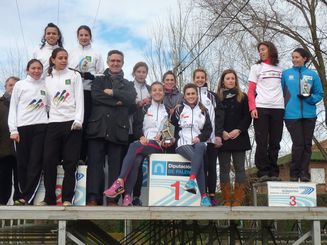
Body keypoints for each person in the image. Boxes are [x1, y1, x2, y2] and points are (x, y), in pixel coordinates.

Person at [104, 82, 172, 205]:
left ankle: (119, 182)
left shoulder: (167, 111)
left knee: (134, 146)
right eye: (154, 90)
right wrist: (141, 136)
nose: (157, 92)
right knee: (135, 161)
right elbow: (137, 126)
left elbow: (170, 133)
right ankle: (127, 197)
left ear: (163, 93)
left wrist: (164, 138)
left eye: (160, 90)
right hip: (144, 143)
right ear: (150, 93)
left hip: (158, 145)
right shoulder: (144, 108)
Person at [86, 50, 136, 206]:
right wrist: (117, 102)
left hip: (118, 129)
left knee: (116, 167)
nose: (115, 63)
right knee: (95, 165)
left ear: (122, 63)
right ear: (107, 62)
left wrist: (113, 92)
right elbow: (96, 96)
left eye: (118, 61)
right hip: (98, 128)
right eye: (112, 60)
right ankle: (93, 198)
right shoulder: (99, 81)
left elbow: (130, 98)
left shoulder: (128, 84)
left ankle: (113, 199)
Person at [41, 48, 84, 206]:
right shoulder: (47, 79)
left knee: (70, 163)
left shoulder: (74, 75)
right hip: (53, 123)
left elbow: (80, 99)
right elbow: (45, 103)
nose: (64, 60)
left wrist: (78, 120)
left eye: (66, 57)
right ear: (53, 60)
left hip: (72, 124)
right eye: (60, 58)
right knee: (49, 161)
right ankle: (49, 198)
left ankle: (67, 198)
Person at [8, 59, 48, 205]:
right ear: (27, 70)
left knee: (35, 163)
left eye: (39, 68)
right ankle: (21, 193)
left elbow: (49, 106)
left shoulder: (45, 85)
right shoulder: (20, 85)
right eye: (33, 68)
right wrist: (13, 130)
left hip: (42, 127)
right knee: (22, 163)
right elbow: (13, 108)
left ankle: (27, 197)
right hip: (23, 128)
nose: (36, 71)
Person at [282, 48, 323, 182]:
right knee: (298, 144)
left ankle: (304, 173)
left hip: (309, 115)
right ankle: (294, 173)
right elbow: (280, 93)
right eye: (293, 57)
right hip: (291, 115)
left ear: (304, 58)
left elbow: (319, 94)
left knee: (307, 145)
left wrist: (309, 98)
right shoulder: (286, 74)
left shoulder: (312, 75)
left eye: (297, 57)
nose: (294, 59)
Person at [247, 41, 284, 182]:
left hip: (278, 108)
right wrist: (252, 107)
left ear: (270, 50)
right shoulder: (256, 67)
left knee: (276, 141)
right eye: (259, 50)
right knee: (262, 141)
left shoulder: (280, 68)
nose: (261, 52)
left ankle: (274, 172)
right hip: (261, 107)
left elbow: (285, 88)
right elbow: (251, 91)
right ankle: (263, 172)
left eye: (263, 49)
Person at [171, 83, 213, 207]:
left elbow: (208, 130)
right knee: (198, 161)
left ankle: (191, 180)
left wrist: (200, 138)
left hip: (198, 143)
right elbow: (170, 126)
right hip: (183, 143)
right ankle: (204, 197)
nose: (191, 96)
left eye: (193, 93)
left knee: (200, 147)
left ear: (197, 95)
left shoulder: (203, 110)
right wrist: (170, 139)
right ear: (184, 95)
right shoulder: (179, 110)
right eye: (188, 94)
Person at [69, 25, 104, 163]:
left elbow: (101, 74)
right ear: (77, 36)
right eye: (81, 35)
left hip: (88, 93)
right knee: (73, 124)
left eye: (86, 35)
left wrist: (92, 76)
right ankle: (72, 155)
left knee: (86, 124)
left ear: (90, 36)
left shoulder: (96, 54)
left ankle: (84, 156)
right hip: (72, 94)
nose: (84, 38)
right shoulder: (71, 53)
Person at [217, 69, 252, 206]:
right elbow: (214, 117)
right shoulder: (217, 97)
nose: (230, 80)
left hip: (239, 138)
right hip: (223, 138)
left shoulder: (242, 97)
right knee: (224, 169)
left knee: (240, 168)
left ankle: (238, 199)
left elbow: (247, 116)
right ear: (223, 81)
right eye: (228, 78)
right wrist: (221, 132)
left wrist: (239, 130)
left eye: (233, 78)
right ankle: (226, 199)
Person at [192, 68, 224, 206]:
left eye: (202, 77)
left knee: (211, 166)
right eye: (197, 77)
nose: (200, 79)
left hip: (211, 138)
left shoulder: (212, 96)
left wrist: (218, 135)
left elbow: (219, 117)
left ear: (206, 79)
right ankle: (201, 194)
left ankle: (212, 195)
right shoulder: (190, 95)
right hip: (196, 139)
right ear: (193, 79)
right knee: (200, 167)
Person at [130, 61, 151, 206]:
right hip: (128, 129)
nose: (141, 74)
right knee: (127, 165)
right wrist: (137, 104)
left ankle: (136, 196)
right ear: (134, 73)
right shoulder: (128, 87)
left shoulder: (151, 89)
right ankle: (124, 195)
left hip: (143, 132)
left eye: (144, 72)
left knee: (138, 165)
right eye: (139, 71)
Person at [0, 76, 20, 205]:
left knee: (20, 177)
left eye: (16, 85)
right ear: (5, 87)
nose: (13, 88)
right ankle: (2, 202)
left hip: (20, 147)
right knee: (3, 178)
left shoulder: (23, 104)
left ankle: (19, 199)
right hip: (3, 148)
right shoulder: (0, 104)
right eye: (10, 85)